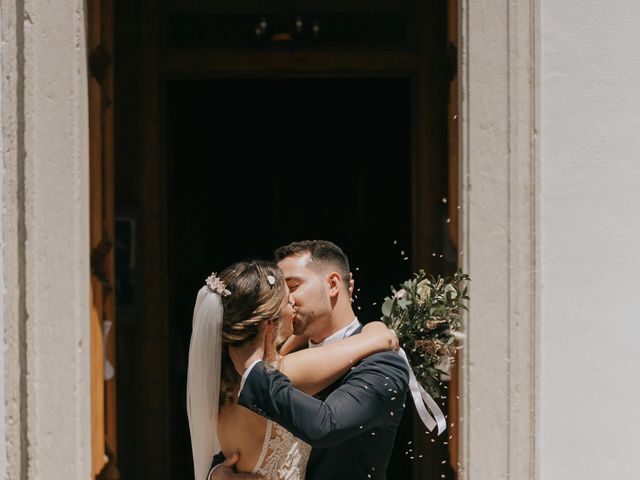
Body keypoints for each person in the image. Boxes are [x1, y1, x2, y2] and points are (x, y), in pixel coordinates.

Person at [211, 241, 410, 480]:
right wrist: (217, 475)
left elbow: (326, 425)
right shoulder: (280, 357)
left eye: (292, 286)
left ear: (333, 284)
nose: (285, 300)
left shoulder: (383, 363)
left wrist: (254, 371)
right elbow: (245, 441)